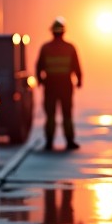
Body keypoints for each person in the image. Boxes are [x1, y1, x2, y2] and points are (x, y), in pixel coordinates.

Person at [36, 17, 82, 150]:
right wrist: (79, 80)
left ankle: (49, 142)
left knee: (50, 114)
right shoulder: (70, 47)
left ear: (52, 32)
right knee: (67, 114)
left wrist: (40, 80)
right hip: (65, 84)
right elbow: (76, 65)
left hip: (50, 84)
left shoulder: (46, 48)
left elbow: (39, 66)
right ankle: (69, 141)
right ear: (63, 32)